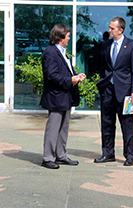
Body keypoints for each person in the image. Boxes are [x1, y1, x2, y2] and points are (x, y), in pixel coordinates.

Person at [94, 16, 133, 166]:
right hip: (108, 90)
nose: (109, 31)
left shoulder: (132, 46)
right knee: (107, 123)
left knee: (127, 125)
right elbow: (104, 67)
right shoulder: (106, 45)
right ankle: (108, 154)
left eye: (112, 28)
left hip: (126, 92)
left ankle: (129, 156)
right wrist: (102, 84)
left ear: (120, 30)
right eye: (109, 27)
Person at [41, 24, 86, 169]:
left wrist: (75, 77)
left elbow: (63, 73)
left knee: (63, 128)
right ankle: (48, 158)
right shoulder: (50, 52)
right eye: (67, 35)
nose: (69, 38)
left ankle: (61, 155)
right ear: (60, 37)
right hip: (56, 97)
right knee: (53, 128)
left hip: (65, 96)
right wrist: (70, 80)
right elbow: (51, 75)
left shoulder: (61, 52)